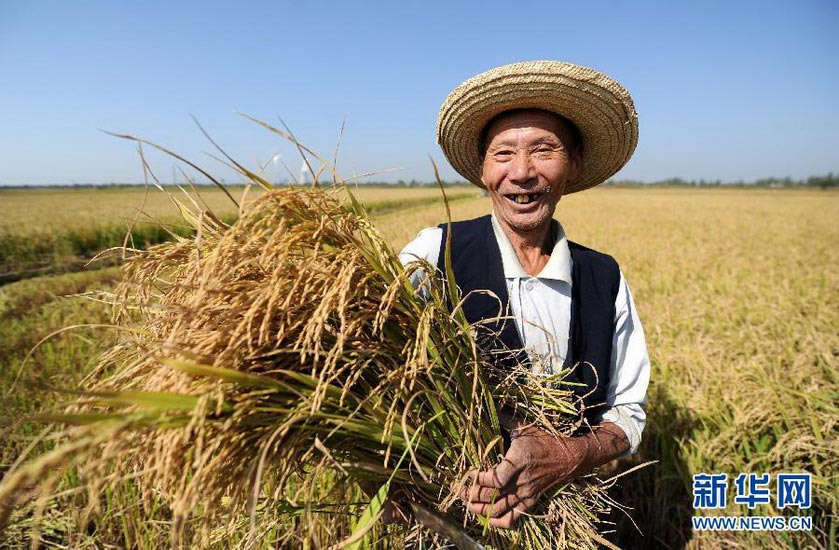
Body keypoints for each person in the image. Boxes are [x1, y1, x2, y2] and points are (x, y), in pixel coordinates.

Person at [398, 61, 650, 529]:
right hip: (447, 523)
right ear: (482, 169)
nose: (522, 172)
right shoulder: (434, 256)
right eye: (503, 154)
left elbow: (629, 412)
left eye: (543, 149)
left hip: (568, 525)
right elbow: (372, 365)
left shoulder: (605, 279)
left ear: (572, 164)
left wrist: (570, 454)